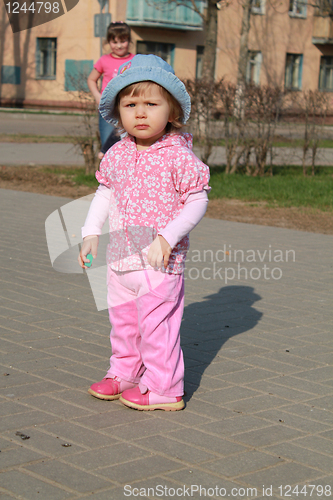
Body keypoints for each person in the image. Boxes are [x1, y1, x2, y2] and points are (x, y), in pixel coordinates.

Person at [78, 54, 210, 411]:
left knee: (157, 328)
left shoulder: (178, 157)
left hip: (158, 262)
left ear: (171, 111)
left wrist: (167, 237)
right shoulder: (118, 153)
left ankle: (165, 388)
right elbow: (105, 193)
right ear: (118, 110)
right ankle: (125, 373)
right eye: (130, 104)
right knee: (123, 324)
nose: (140, 112)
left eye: (151, 104)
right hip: (120, 258)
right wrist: (91, 230)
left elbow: (197, 201)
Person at [87, 21, 134, 159]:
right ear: (109, 42)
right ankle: (108, 177)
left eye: (123, 41)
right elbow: (91, 79)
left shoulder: (135, 60)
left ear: (129, 41)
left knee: (128, 144)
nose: (119, 45)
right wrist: (97, 96)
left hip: (128, 108)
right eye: (114, 42)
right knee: (108, 148)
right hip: (108, 109)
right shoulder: (104, 60)